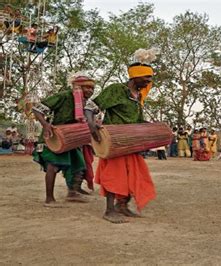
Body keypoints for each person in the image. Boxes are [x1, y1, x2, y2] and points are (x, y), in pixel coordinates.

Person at [86, 50, 157, 223]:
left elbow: (137, 120)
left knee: (133, 174)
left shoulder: (138, 96)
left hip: (130, 143)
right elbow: (90, 106)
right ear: (135, 77)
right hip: (114, 141)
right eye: (146, 77)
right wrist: (92, 125)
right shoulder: (117, 90)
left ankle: (122, 206)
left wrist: (153, 129)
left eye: (150, 77)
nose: (149, 81)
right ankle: (109, 210)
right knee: (114, 175)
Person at [32, 74, 95, 207]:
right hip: (53, 135)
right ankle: (49, 199)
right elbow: (37, 108)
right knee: (53, 165)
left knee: (79, 164)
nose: (90, 90)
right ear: (78, 87)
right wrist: (45, 124)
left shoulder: (86, 103)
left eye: (92, 88)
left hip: (71, 137)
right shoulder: (64, 96)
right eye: (87, 87)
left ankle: (72, 192)